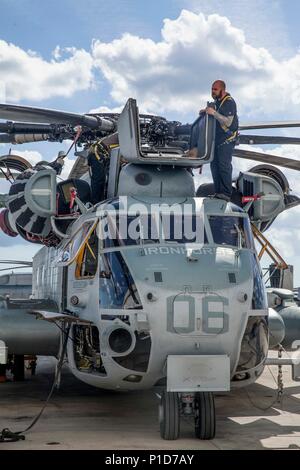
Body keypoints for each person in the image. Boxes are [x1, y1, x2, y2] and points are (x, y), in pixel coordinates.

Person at [188, 80, 239, 201]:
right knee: (214, 166)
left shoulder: (229, 102)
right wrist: (206, 112)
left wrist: (213, 113)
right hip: (216, 141)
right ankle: (218, 192)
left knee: (223, 166)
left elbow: (228, 122)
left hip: (227, 140)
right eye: (212, 89)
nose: (213, 92)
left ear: (223, 89)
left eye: (215, 89)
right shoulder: (218, 102)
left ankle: (226, 193)